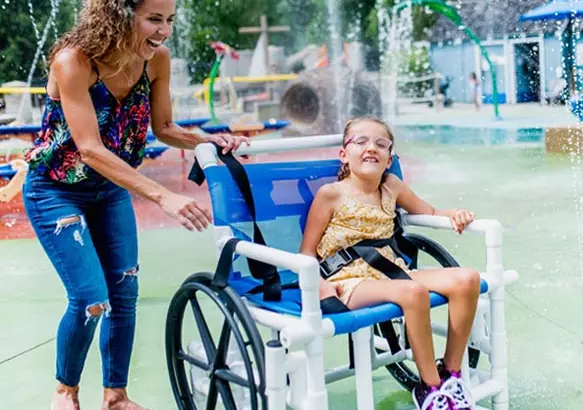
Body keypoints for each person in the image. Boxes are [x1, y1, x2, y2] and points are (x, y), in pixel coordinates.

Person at [21, 0, 249, 409]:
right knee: (92, 298)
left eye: (170, 21)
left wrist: (207, 141)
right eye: (154, 19)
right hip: (55, 191)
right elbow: (89, 149)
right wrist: (162, 195)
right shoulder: (74, 61)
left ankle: (116, 397)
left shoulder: (155, 60)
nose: (164, 31)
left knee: (125, 293)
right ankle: (66, 392)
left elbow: (163, 127)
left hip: (109, 191)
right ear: (120, 14)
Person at [299, 117, 481, 410]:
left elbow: (430, 211)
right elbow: (307, 252)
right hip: (347, 280)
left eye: (380, 144)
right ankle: (431, 388)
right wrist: (319, 286)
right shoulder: (331, 194)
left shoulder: (392, 186)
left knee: (467, 279)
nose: (371, 148)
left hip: (391, 272)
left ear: (389, 158)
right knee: (412, 293)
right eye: (361, 142)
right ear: (344, 154)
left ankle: (451, 374)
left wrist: (455, 214)